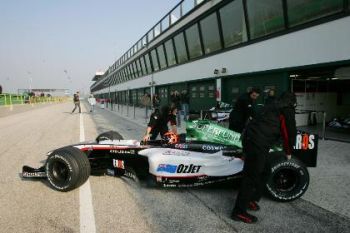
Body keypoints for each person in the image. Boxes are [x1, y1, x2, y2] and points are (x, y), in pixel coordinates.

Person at [231, 92, 297, 224]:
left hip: (251, 140)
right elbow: (289, 132)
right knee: (250, 177)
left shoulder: (270, 105)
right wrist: (288, 151)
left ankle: (251, 199)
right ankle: (238, 212)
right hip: (257, 144)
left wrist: (245, 149)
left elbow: (251, 123)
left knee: (266, 171)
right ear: (292, 102)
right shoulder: (286, 110)